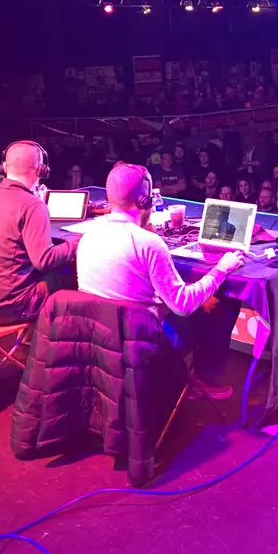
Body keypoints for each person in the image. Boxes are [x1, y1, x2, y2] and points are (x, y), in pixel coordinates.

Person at [75, 162, 244, 399]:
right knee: (222, 304)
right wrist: (221, 269)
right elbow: (182, 305)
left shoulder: (87, 238)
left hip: (101, 343)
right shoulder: (148, 244)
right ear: (145, 200)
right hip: (144, 347)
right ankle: (203, 381)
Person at [0, 141, 78, 325]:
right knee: (67, 271)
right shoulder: (32, 205)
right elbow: (44, 260)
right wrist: (75, 244)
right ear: (41, 169)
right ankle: (55, 341)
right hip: (9, 308)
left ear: (4, 167)